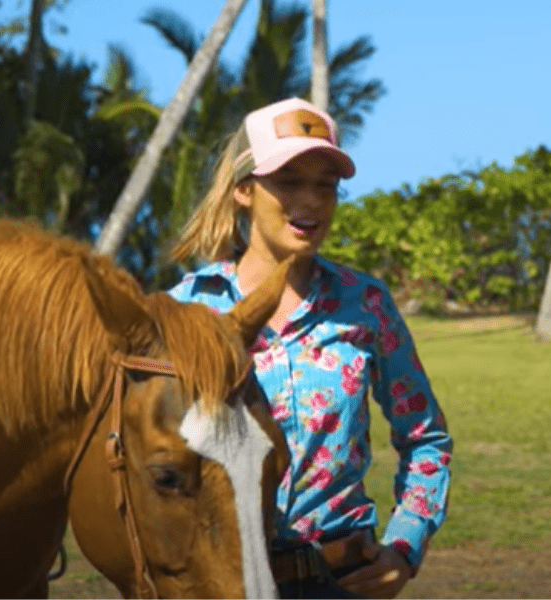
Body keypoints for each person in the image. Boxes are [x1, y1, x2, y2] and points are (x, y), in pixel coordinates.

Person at [168, 97, 452, 599]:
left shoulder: (366, 304)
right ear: (243, 190)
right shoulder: (185, 311)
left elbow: (426, 440)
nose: (313, 201)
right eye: (290, 181)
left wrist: (404, 549)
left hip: (343, 582)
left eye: (326, 185)